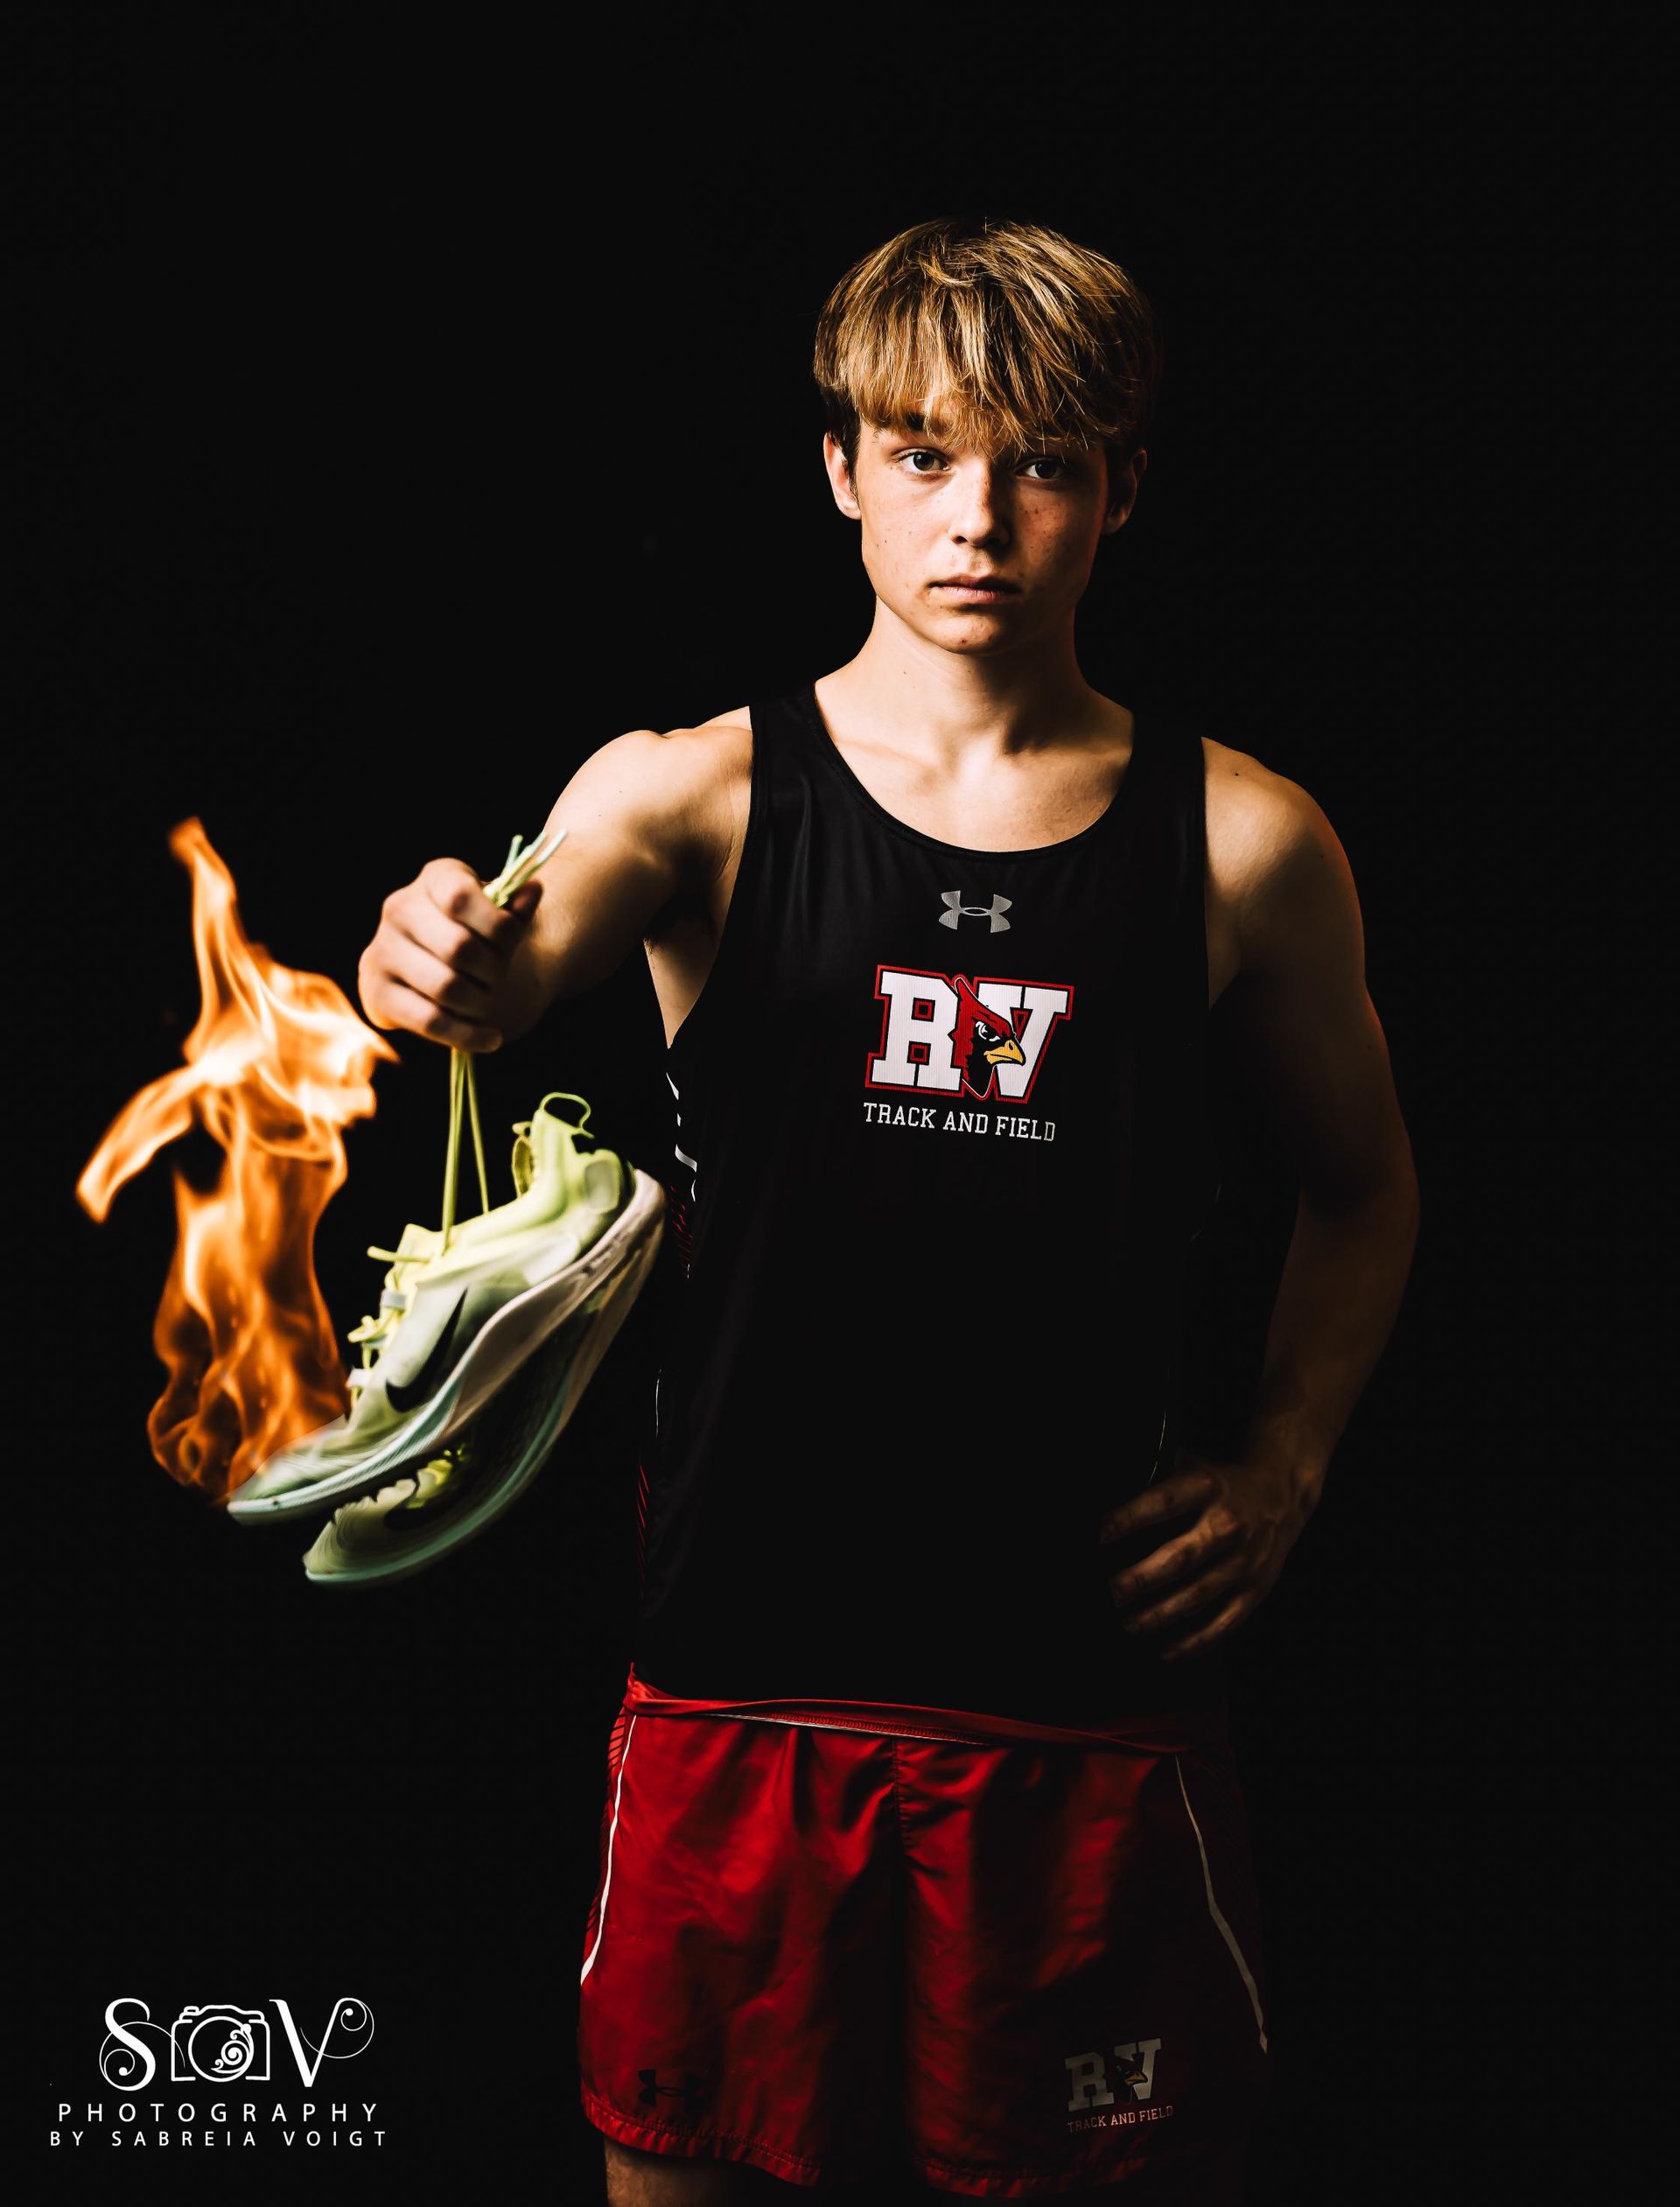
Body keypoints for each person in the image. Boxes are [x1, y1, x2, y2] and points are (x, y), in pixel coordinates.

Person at [356, 216, 1420, 2203]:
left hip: (1081, 1714)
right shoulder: (692, 795)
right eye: (924, 454)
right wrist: (428, 955)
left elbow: (1365, 1190)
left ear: (1122, 489)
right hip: (738, 1693)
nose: (980, 516)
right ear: (842, 469)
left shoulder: (1251, 843)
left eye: (1042, 461)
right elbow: (507, 957)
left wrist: (1285, 1462)